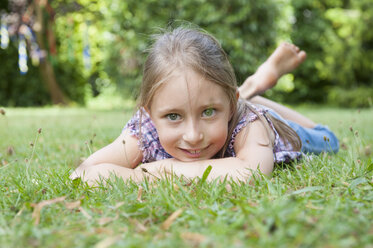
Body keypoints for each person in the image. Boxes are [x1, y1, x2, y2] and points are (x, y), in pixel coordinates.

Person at [70, 27, 339, 185]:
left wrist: (153, 172)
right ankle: (251, 88)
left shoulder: (250, 126)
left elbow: (251, 172)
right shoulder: (145, 130)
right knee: (214, 100)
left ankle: (252, 95)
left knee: (331, 139)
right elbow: (81, 173)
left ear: (230, 107)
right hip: (233, 100)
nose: (193, 135)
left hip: (279, 128)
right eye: (173, 116)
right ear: (149, 113)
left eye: (208, 112)